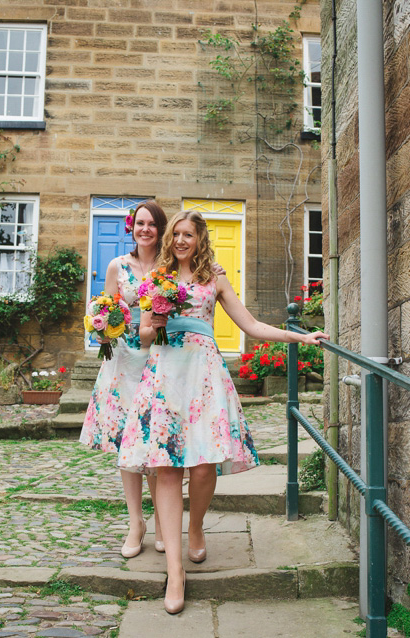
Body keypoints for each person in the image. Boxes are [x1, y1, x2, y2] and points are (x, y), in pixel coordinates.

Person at [117, 210, 328, 615]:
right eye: (176, 234)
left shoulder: (213, 276)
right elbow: (142, 334)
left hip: (204, 374)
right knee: (165, 468)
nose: (180, 240)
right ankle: (175, 572)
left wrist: (302, 336)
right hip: (164, 373)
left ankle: (196, 526)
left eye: (188, 235)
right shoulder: (156, 277)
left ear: (199, 239)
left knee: (203, 468)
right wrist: (154, 322)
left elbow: (250, 325)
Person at [79, 200, 167, 559]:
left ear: (161, 229)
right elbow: (105, 305)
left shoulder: (170, 266)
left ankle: (163, 521)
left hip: (161, 356)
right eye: (140, 223)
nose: (145, 229)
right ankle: (136, 523)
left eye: (152, 224)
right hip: (124, 360)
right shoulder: (119, 265)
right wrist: (101, 328)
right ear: (133, 227)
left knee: (157, 440)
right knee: (128, 444)